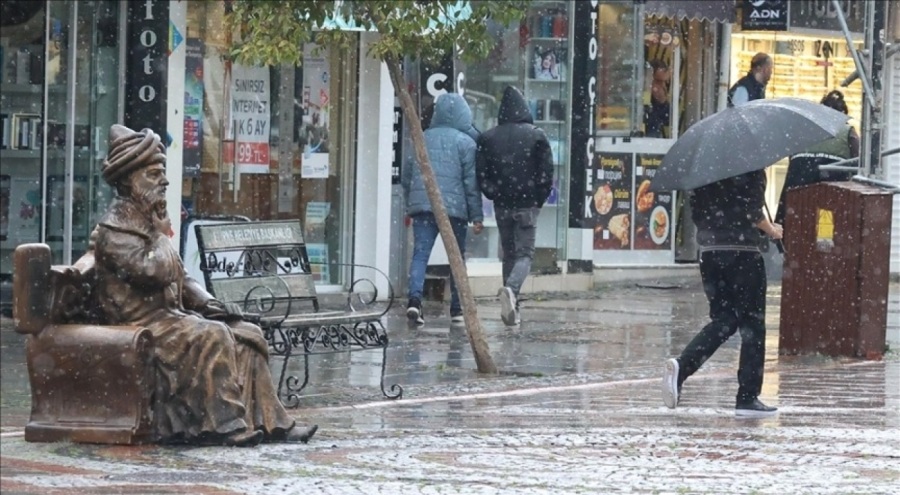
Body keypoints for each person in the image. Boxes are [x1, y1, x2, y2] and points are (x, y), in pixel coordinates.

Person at [85, 124, 318, 447]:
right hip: (142, 326)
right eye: (153, 174)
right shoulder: (116, 231)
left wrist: (214, 306)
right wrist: (163, 233)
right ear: (129, 181)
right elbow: (154, 271)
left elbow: (183, 279)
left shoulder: (147, 222)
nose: (164, 181)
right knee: (212, 335)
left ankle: (273, 422)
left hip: (172, 320)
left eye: (161, 173)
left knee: (247, 334)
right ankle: (223, 425)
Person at [661, 169, 783, 417]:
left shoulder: (702, 172)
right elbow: (752, 212)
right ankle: (747, 398)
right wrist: (771, 230)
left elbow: (697, 215)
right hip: (743, 253)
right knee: (753, 324)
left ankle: (682, 367)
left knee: (724, 319)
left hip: (710, 253)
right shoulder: (749, 167)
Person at [402, 93, 484, 325]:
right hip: (454, 209)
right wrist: (476, 215)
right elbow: (471, 185)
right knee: (456, 258)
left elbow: (408, 175)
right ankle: (457, 308)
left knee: (420, 254)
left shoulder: (422, 137)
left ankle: (415, 301)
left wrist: (412, 203)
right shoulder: (466, 143)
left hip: (423, 206)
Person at [476, 86, 554, 326]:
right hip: (527, 204)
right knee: (525, 254)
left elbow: (481, 174)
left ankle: (511, 308)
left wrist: (493, 192)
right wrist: (538, 198)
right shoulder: (537, 135)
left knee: (508, 253)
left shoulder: (488, 138)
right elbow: (546, 173)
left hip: (502, 205)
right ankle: (511, 290)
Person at [774, 90, 860, 227]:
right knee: (827, 238)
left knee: (797, 235)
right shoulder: (848, 132)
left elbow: (792, 162)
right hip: (831, 199)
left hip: (796, 199)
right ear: (842, 114)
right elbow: (858, 168)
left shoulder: (802, 132)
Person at [643, 60, 671, 138]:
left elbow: (668, 120)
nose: (658, 88)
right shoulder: (644, 105)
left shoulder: (662, 107)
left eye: (664, 83)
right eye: (657, 82)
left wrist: (663, 102)